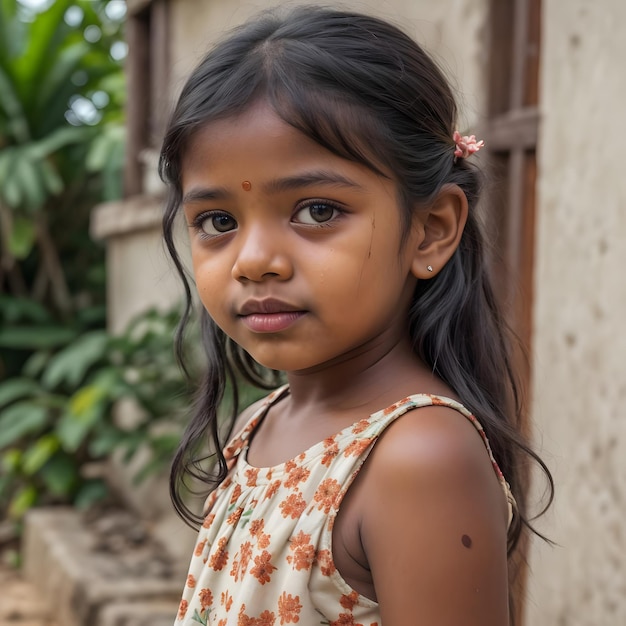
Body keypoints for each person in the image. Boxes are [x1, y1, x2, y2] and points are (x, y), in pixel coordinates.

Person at [158, 6, 552, 625]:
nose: (254, 261)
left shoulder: (418, 458)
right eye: (218, 222)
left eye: (317, 211)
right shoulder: (265, 423)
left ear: (430, 231)